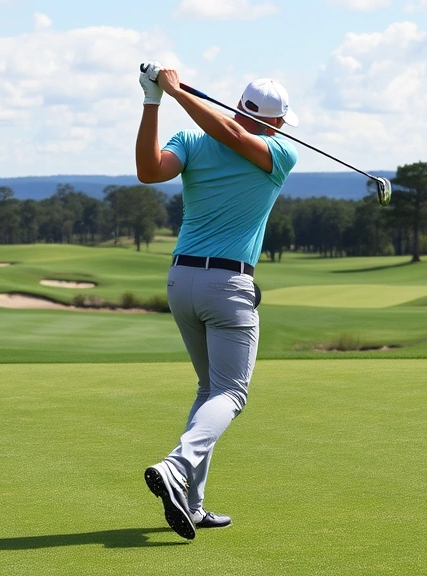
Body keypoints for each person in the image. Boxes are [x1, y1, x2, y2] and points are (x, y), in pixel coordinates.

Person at [135, 62, 298, 540]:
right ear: (279, 122)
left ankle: (192, 503)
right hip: (227, 287)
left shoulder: (258, 149)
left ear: (238, 105)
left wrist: (162, 96)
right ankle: (176, 466)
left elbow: (226, 133)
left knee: (210, 389)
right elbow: (150, 173)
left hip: (180, 280)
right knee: (232, 393)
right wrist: (159, 98)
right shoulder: (280, 152)